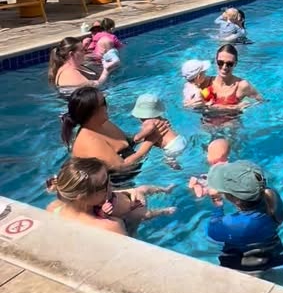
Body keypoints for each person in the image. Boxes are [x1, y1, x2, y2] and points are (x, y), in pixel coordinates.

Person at [61, 86, 166, 185]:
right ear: (92, 112)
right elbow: (122, 167)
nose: (108, 105)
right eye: (104, 102)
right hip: (119, 182)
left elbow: (125, 142)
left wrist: (145, 133)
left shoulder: (102, 123)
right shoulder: (90, 141)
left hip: (132, 163)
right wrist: (150, 141)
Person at [196, 159, 283, 272]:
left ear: (234, 200)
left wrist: (217, 202)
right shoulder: (272, 196)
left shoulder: (233, 225)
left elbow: (212, 232)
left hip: (243, 266)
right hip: (276, 255)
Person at [46, 157, 175, 234]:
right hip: (131, 215)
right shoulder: (111, 226)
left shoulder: (53, 208)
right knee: (140, 213)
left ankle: (165, 190)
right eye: (105, 182)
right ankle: (163, 210)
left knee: (140, 191)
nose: (111, 183)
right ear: (82, 197)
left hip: (126, 203)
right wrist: (134, 222)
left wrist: (130, 192)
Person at [200, 44, 263, 112]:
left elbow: (261, 102)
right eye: (220, 62)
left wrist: (246, 106)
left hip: (231, 119)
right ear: (216, 61)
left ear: (235, 64)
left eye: (229, 64)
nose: (224, 67)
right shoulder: (205, 82)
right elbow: (192, 104)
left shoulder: (242, 86)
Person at [130, 94, 187, 167]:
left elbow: (150, 127)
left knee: (169, 161)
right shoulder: (162, 119)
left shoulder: (149, 122)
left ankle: (179, 170)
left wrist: (138, 137)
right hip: (179, 139)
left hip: (172, 146)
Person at [48, 37, 116, 97]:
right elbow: (93, 88)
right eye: (82, 50)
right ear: (71, 54)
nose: (84, 52)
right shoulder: (69, 73)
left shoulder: (72, 66)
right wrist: (106, 71)